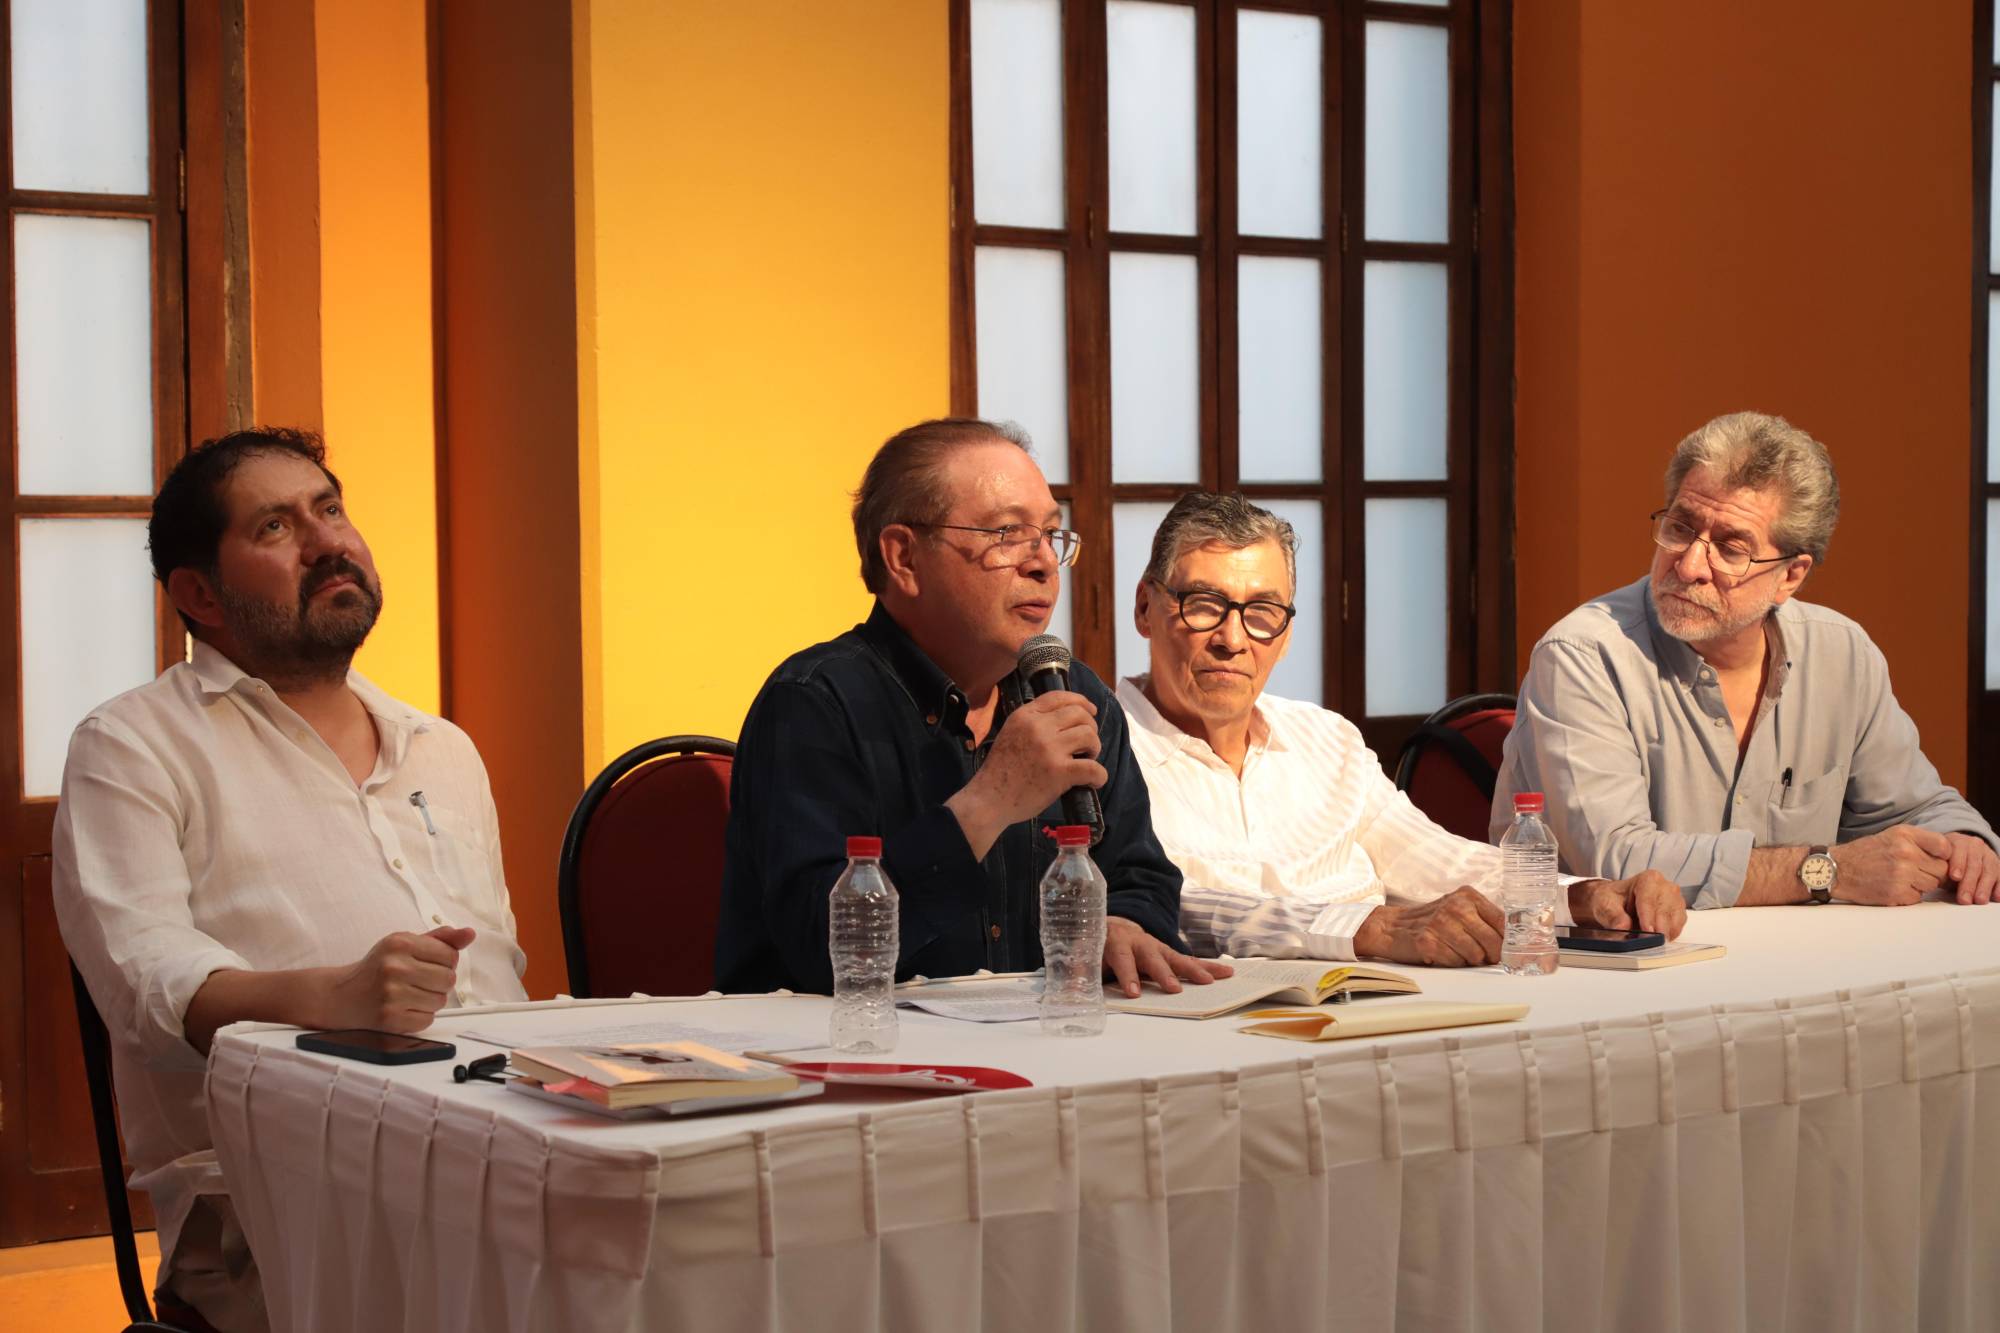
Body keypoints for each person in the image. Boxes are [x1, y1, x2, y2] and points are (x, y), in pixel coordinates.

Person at [53, 429, 528, 1333]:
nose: (328, 542)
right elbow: (151, 988)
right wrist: (337, 996)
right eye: (276, 526)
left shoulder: (444, 747)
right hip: (275, 1203)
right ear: (199, 594)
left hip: (503, 1160)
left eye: (332, 508)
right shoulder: (132, 747)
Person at [716, 417, 1231, 996]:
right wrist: (989, 802)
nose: (1042, 564)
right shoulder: (815, 702)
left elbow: (1140, 873)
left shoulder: (1073, 696)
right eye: (1007, 534)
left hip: (1044, 1042)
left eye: (1051, 536)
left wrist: (1125, 923)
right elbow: (817, 948)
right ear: (904, 558)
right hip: (851, 1057)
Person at [1118, 490, 1685, 965]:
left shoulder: (1326, 740)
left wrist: (1582, 897)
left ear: (1286, 633)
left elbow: (1435, 860)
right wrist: (1370, 928)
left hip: (1382, 1004)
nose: (1233, 639)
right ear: (1145, 607)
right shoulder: (1103, 751)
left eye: (1262, 613)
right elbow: (1171, 907)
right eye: (1203, 604)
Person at [1496, 410, 2000, 909]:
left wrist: (1965, 849)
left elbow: (1915, 809)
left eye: (1730, 549)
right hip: (1623, 970)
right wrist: (1826, 872)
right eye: (1679, 528)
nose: (1690, 565)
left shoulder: (1843, 654)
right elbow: (1614, 859)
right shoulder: (1583, 657)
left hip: (1805, 963)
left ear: (1790, 576)